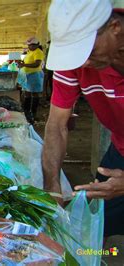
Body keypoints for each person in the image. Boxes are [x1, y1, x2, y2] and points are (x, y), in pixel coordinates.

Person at [42, 0, 124, 237]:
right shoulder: (78, 61)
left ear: (115, 27)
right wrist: (52, 186)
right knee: (94, 227)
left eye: (85, 50)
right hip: (119, 151)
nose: (82, 62)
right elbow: (57, 125)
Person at [18, 37, 45, 124]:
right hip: (27, 75)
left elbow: (37, 64)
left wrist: (24, 64)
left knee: (35, 93)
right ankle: (26, 111)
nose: (30, 46)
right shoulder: (30, 52)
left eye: (33, 45)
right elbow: (26, 62)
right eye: (29, 45)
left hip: (34, 75)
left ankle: (33, 113)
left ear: (37, 45)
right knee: (27, 93)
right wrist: (22, 63)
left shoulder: (38, 52)